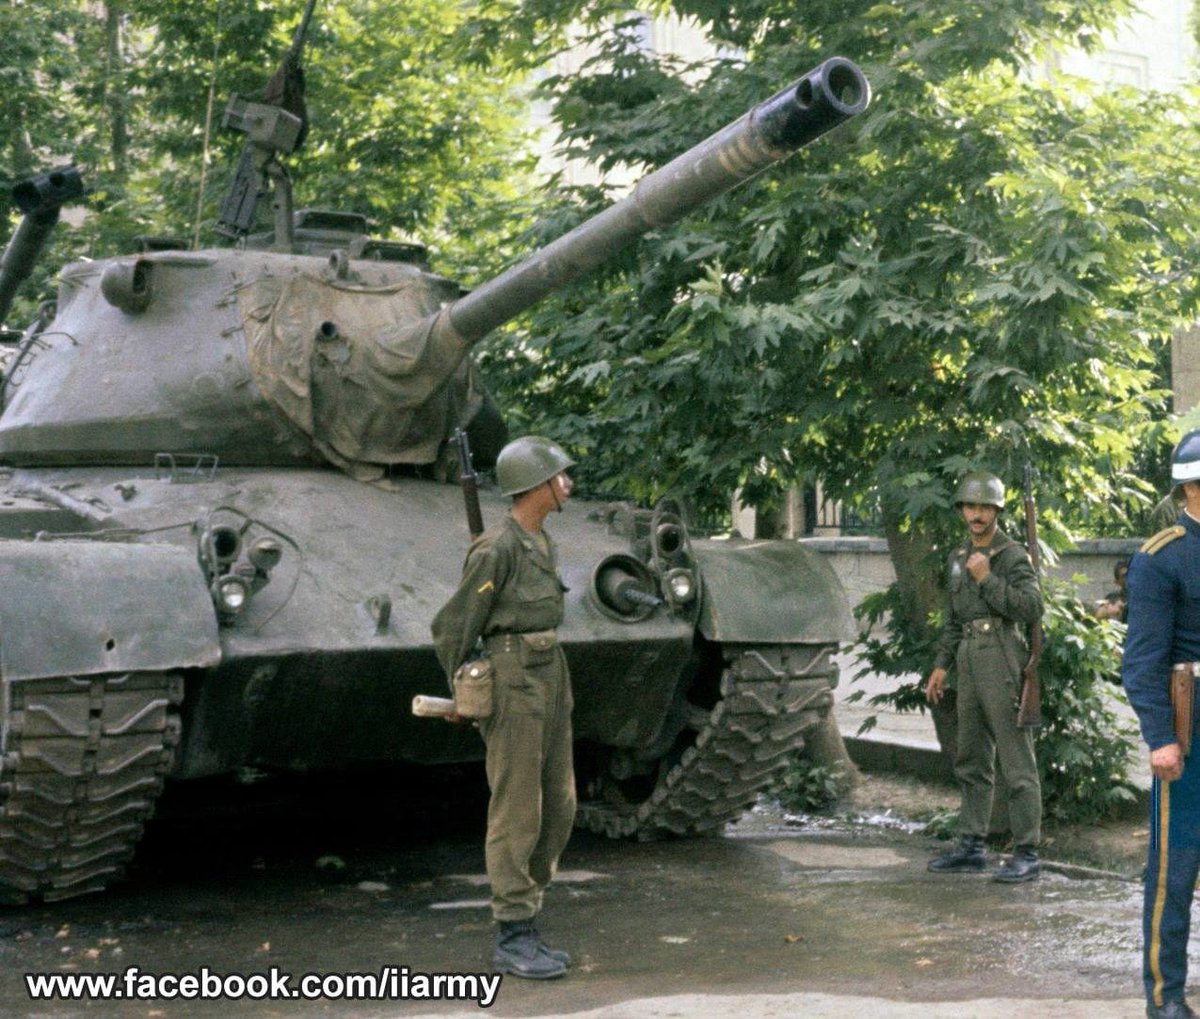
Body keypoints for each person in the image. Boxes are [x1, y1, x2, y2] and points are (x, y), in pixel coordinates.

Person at [431, 435, 577, 981]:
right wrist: (465, 691)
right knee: (518, 809)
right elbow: (453, 627)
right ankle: (513, 933)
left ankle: (529, 911)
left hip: (550, 672)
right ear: (535, 486)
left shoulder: (542, 542)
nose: (567, 484)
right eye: (559, 476)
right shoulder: (497, 548)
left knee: (559, 804)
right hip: (513, 677)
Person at [924, 471, 1044, 883]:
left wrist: (987, 579)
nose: (976, 515)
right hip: (968, 656)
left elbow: (1031, 608)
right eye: (970, 507)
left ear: (997, 511)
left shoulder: (1011, 556)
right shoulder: (958, 556)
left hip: (1002, 655)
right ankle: (971, 846)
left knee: (1016, 759)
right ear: (961, 510)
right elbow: (953, 618)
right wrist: (942, 664)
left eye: (985, 508)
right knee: (971, 756)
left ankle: (1027, 851)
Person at [1123, 429, 1200, 1019]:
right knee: (1176, 866)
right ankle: (1165, 996)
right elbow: (1142, 660)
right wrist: (1160, 737)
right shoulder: (1161, 556)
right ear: (1193, 487)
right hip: (1190, 723)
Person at [1094, 558, 1130, 623]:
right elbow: (1098, 618)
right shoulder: (1113, 597)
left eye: (1130, 574)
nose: (1129, 578)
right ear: (1117, 582)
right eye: (1124, 576)